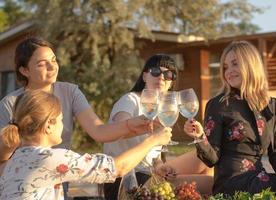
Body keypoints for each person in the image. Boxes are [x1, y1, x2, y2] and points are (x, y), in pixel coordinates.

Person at [0, 37, 153, 199]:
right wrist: (152, 141)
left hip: (59, 179)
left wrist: (134, 125)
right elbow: (116, 168)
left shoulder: (69, 92)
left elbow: (99, 131)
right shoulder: (10, 104)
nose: (52, 67)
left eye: (53, 60)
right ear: (24, 70)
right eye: (42, 63)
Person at [0, 90, 172, 200]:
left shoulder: (15, 159)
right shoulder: (50, 158)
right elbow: (117, 168)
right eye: (61, 119)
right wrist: (154, 140)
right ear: (48, 125)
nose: (64, 124)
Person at [184, 41, 276, 200]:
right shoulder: (218, 104)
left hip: (259, 178)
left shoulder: (270, 105)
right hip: (231, 185)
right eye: (225, 67)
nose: (229, 71)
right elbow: (212, 159)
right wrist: (199, 137)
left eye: (235, 64)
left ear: (251, 65)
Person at [103, 54, 179, 200]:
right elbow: (119, 131)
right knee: (203, 183)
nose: (161, 77)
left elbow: (153, 155)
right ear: (145, 76)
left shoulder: (162, 110)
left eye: (168, 74)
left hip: (146, 175)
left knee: (203, 171)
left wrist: (159, 166)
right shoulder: (130, 100)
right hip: (124, 179)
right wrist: (154, 137)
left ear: (171, 82)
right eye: (156, 72)